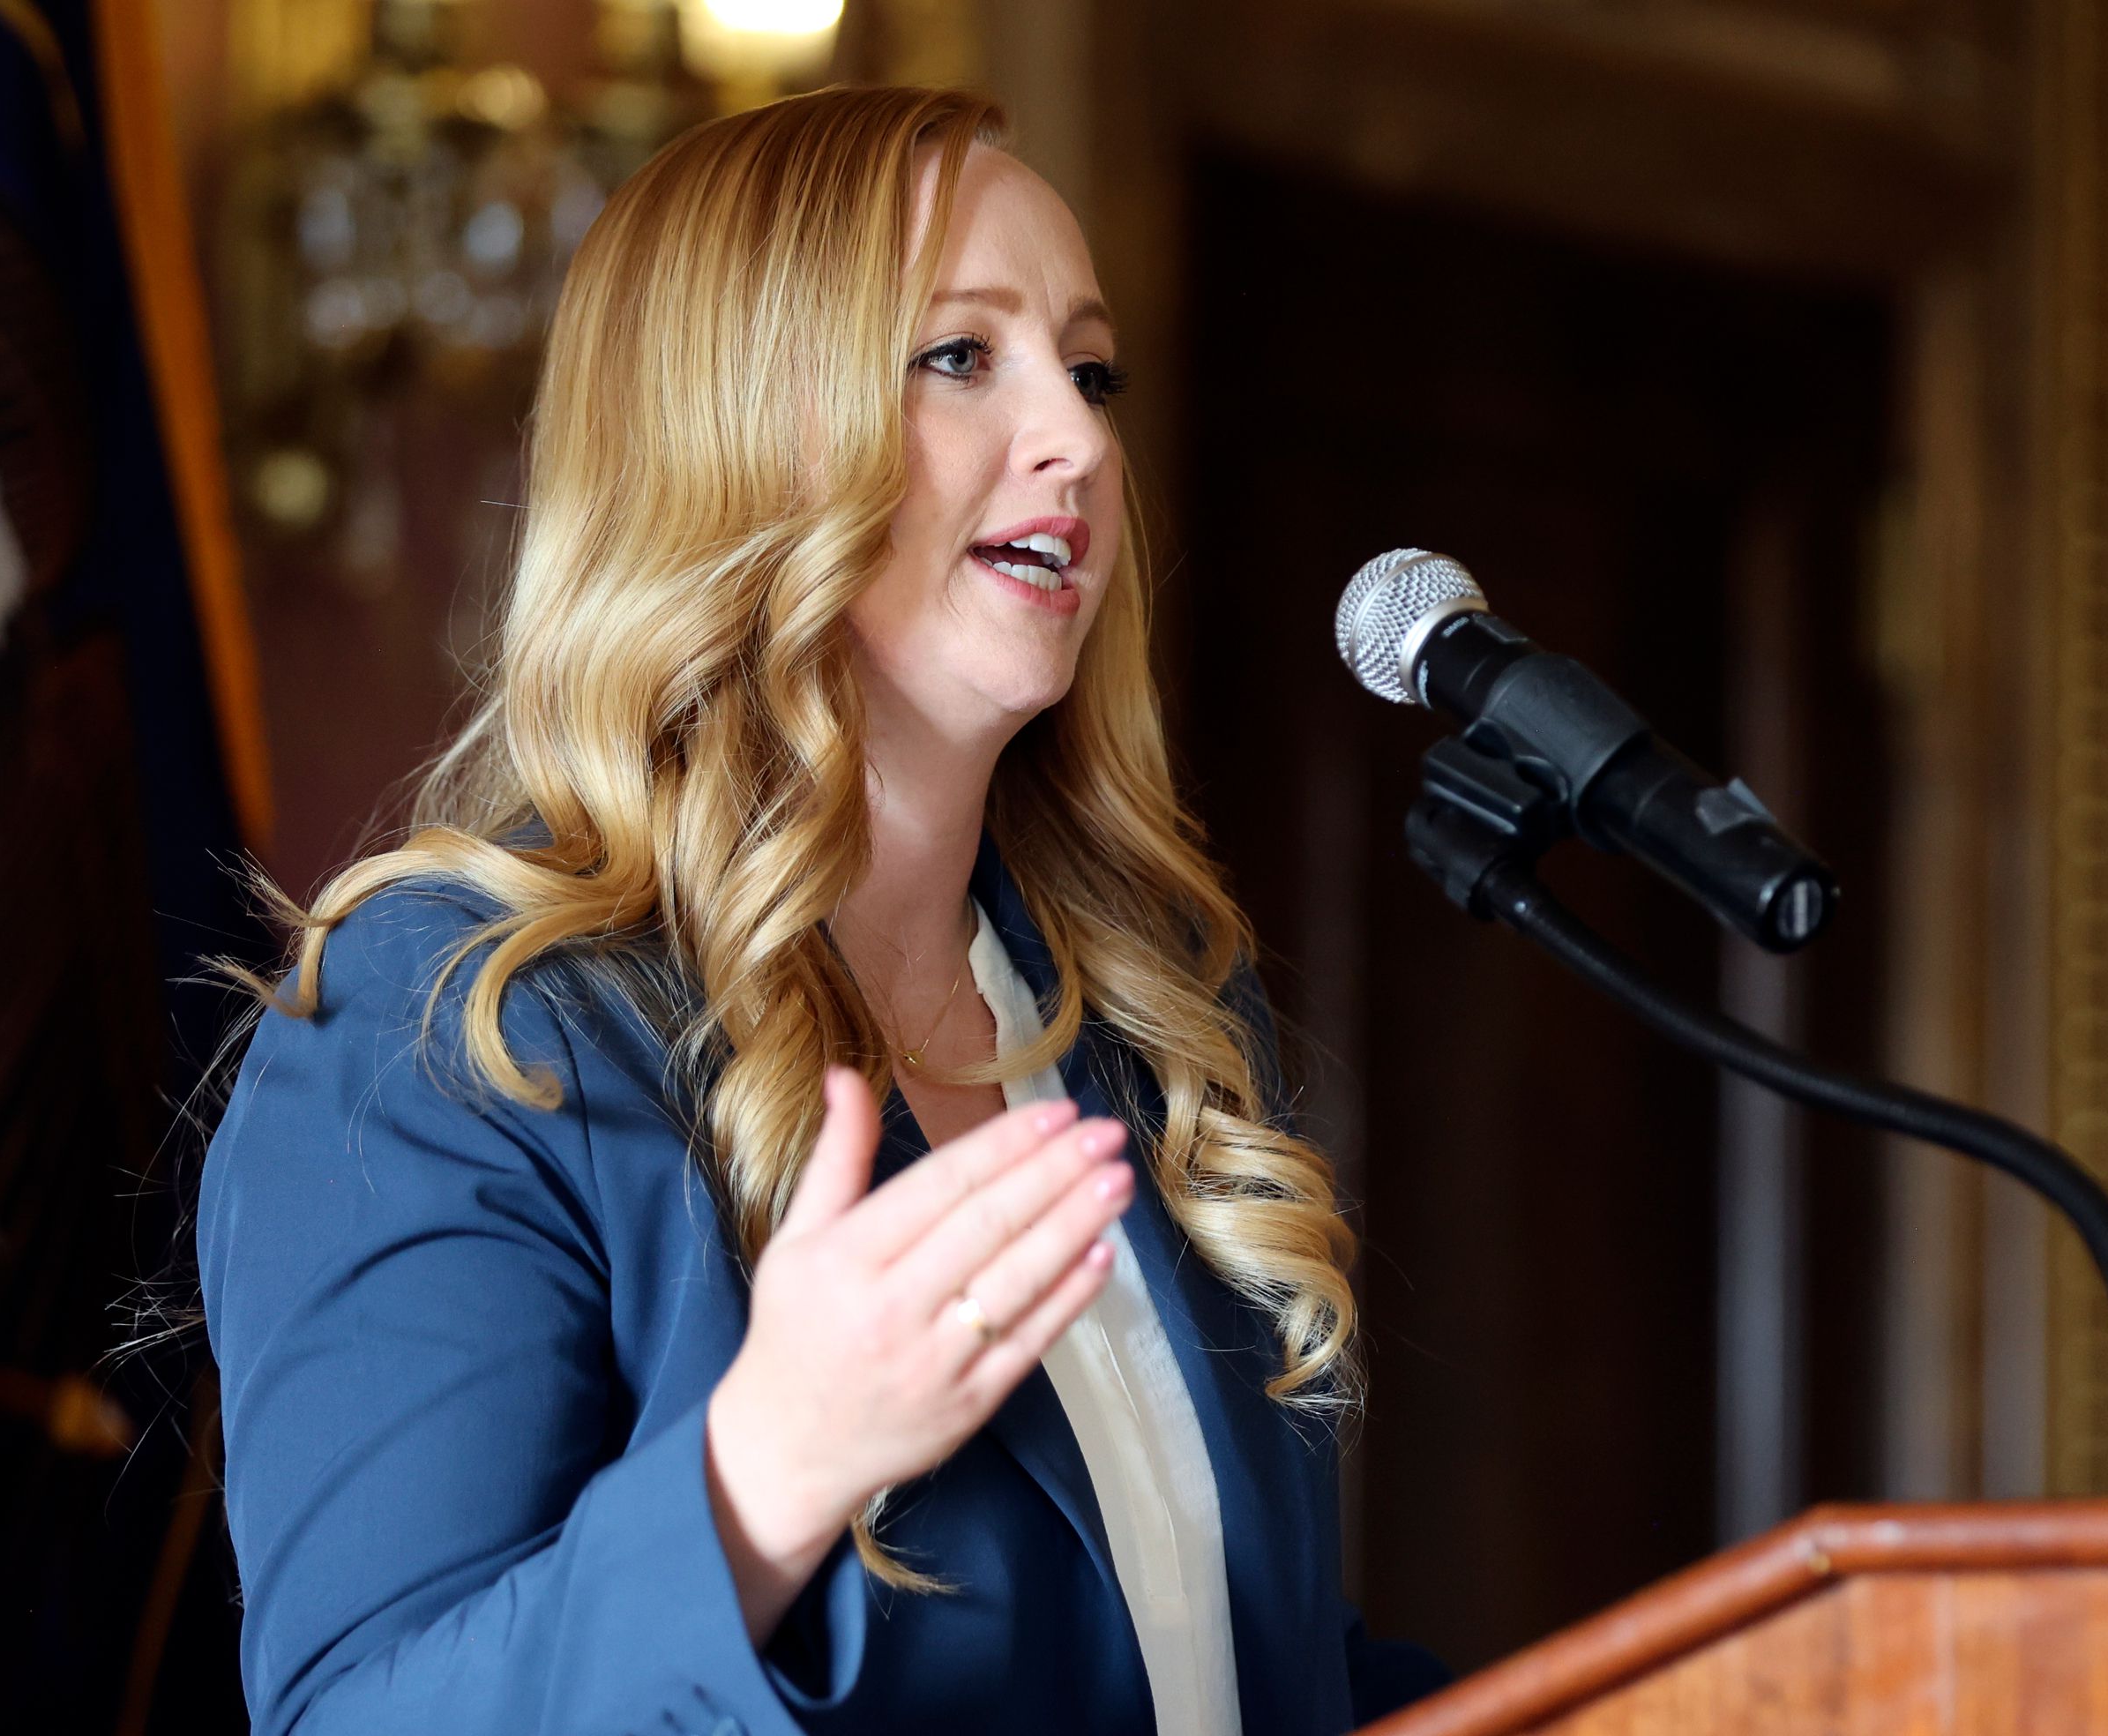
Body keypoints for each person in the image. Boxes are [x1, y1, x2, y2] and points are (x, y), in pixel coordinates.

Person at [198, 86, 1445, 1736]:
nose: (1078, 440)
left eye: (1090, 371)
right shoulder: (454, 1030)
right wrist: (765, 1475)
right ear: (731, 432)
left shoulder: (1156, 1024)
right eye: (961, 356)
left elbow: (1223, 1670)